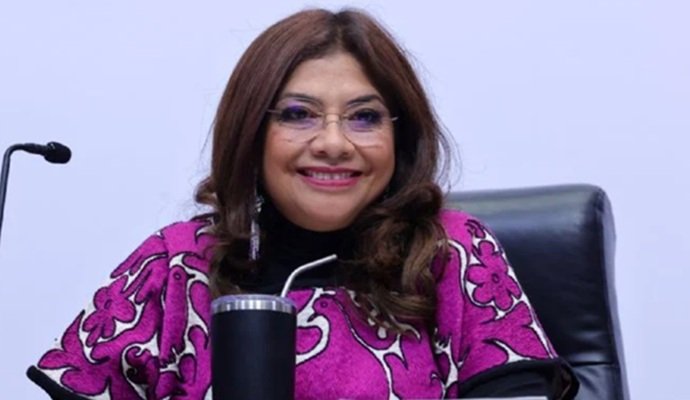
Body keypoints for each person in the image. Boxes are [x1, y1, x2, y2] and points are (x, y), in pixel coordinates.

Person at [27, 8, 578, 400]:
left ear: (400, 137)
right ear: (252, 134)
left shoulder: (452, 253)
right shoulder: (175, 265)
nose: (334, 143)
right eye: (298, 114)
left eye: (364, 117)